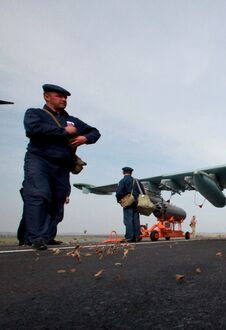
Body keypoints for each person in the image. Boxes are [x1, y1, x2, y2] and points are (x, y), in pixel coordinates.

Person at [22, 84, 100, 250]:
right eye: (59, 96)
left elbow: (95, 132)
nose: (63, 100)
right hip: (39, 160)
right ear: (46, 97)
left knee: (58, 200)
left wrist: (84, 138)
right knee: (39, 195)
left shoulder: (72, 120)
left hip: (62, 166)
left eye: (65, 97)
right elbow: (33, 129)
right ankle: (36, 237)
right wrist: (64, 131)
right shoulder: (35, 113)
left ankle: (48, 236)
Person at [116, 167, 145, 242]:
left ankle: (129, 237)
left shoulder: (122, 181)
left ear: (123, 172)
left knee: (128, 219)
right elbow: (143, 192)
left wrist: (120, 200)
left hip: (128, 202)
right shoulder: (137, 181)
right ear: (131, 173)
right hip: (137, 202)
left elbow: (118, 193)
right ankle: (137, 237)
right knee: (136, 219)